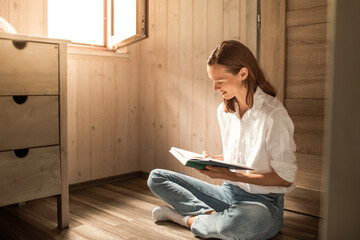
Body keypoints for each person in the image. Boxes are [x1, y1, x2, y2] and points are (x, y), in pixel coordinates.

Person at [147, 40, 297, 240]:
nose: (215, 88)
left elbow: (285, 178)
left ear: (243, 74)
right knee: (156, 177)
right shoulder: (225, 111)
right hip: (229, 193)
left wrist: (234, 176)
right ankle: (214, 219)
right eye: (213, 81)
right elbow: (243, 157)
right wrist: (213, 161)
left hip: (263, 203)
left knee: (245, 222)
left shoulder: (273, 115)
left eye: (220, 81)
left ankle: (185, 219)